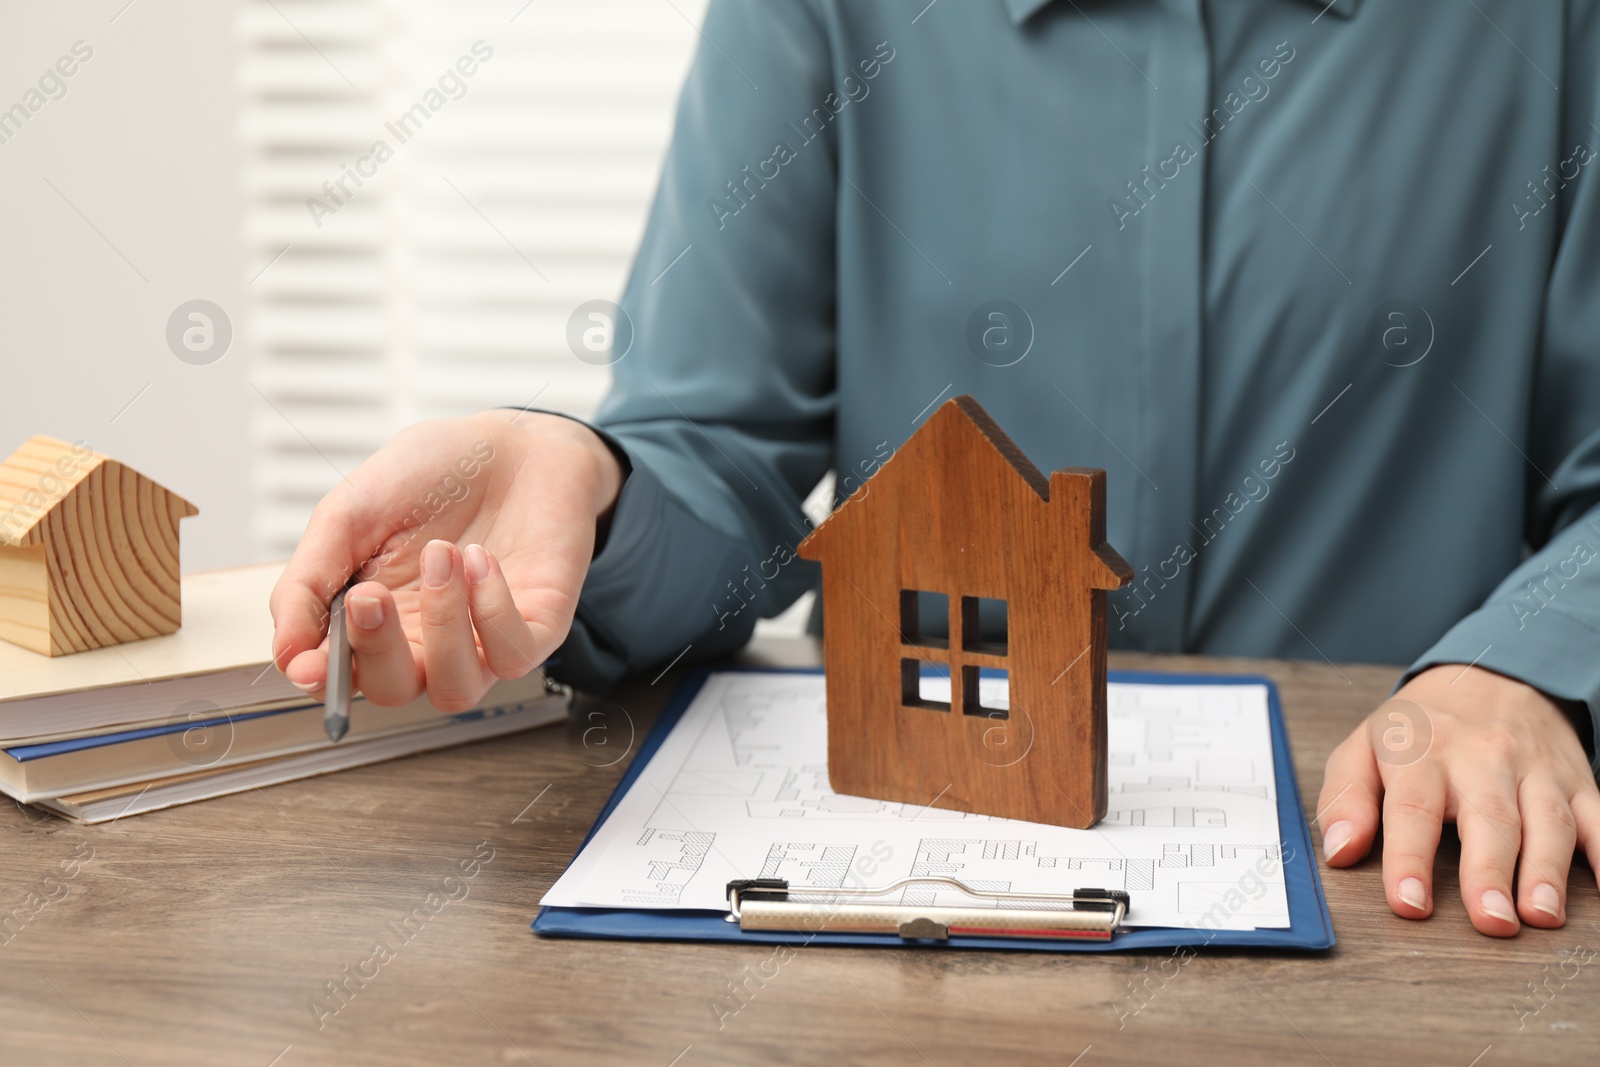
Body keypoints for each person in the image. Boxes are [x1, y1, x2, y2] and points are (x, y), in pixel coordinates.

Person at [270, 0, 1600, 938]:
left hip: (1396, 885)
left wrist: (1527, 668)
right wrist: (590, 483)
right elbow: (717, 456)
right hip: (924, 918)